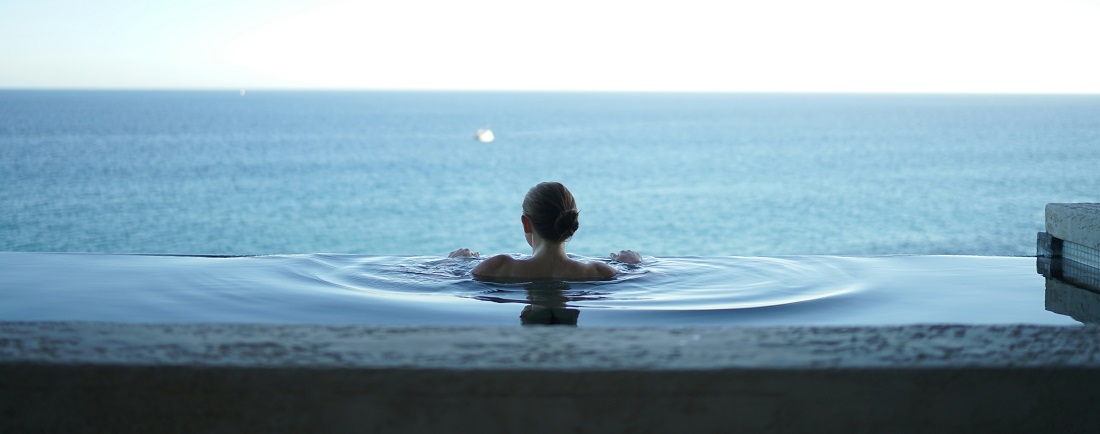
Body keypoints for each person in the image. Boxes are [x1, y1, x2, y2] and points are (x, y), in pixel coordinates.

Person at [449, 182, 641, 280]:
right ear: (572, 224)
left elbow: (448, 280)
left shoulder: (499, 267)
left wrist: (454, 263)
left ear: (526, 223)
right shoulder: (599, 272)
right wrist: (633, 264)